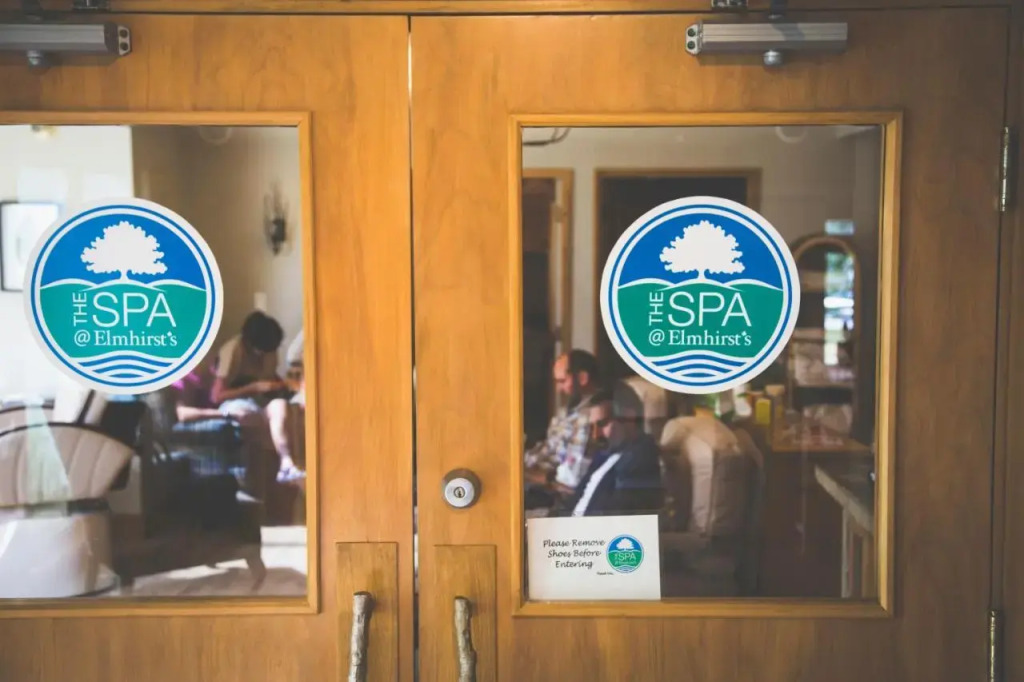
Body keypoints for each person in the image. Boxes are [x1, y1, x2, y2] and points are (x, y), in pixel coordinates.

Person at [211, 311, 304, 483]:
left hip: (261, 401)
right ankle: (259, 478)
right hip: (236, 402)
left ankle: (287, 464)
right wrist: (252, 388)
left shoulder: (269, 349)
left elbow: (270, 377)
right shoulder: (233, 350)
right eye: (261, 351)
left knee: (281, 406)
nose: (264, 355)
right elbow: (216, 396)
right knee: (251, 416)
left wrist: (284, 385)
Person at [556, 381, 663, 517]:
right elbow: (575, 500)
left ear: (629, 416)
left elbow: (618, 518)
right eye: (592, 427)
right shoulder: (606, 454)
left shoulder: (640, 457)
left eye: (602, 424)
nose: (595, 435)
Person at [524, 349, 601, 490]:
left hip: (552, 491)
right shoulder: (566, 411)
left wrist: (525, 474)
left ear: (582, 378)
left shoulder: (591, 417)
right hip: (534, 471)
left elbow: (570, 481)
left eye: (562, 381)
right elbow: (547, 449)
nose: (558, 389)